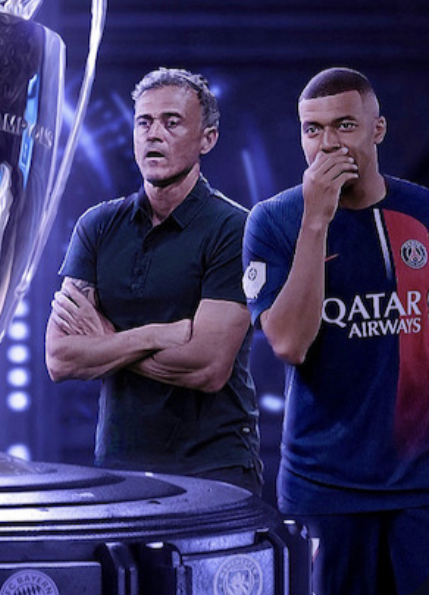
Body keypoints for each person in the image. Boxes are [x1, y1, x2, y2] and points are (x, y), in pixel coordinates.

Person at [243, 67, 429, 594]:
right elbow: (289, 343)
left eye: (344, 125)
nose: (327, 144)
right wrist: (316, 221)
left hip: (420, 486)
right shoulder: (273, 221)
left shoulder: (421, 212)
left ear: (378, 129)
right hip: (325, 490)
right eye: (313, 129)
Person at [46, 67, 261, 495]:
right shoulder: (97, 225)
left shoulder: (235, 228)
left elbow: (208, 367)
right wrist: (154, 335)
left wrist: (106, 341)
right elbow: (60, 358)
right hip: (120, 470)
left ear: (207, 139)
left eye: (171, 122)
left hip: (215, 468)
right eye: (143, 122)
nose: (154, 134)